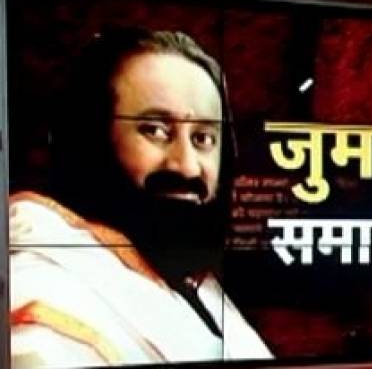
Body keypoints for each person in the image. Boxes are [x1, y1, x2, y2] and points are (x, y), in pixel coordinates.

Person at [9, 27, 273, 368]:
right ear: (91, 142)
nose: (187, 166)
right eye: (156, 131)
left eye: (203, 138)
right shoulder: (42, 301)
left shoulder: (193, 287)